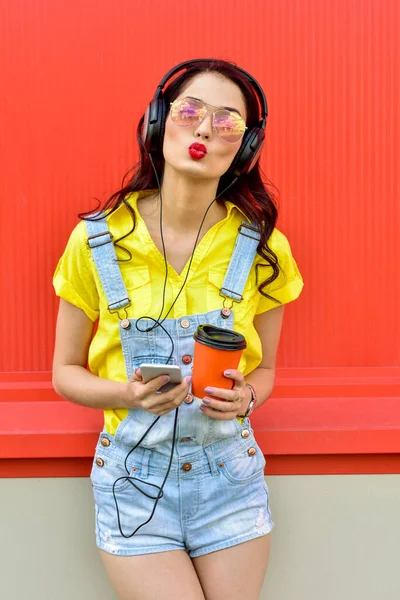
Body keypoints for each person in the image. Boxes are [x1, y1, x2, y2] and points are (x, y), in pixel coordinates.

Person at [52, 58, 304, 600]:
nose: (206, 128)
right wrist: (128, 394)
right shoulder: (97, 244)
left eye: (228, 121)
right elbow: (64, 372)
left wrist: (246, 399)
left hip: (229, 481)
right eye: (190, 110)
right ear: (158, 121)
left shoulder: (262, 249)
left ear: (246, 147)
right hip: (132, 485)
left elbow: (267, 370)